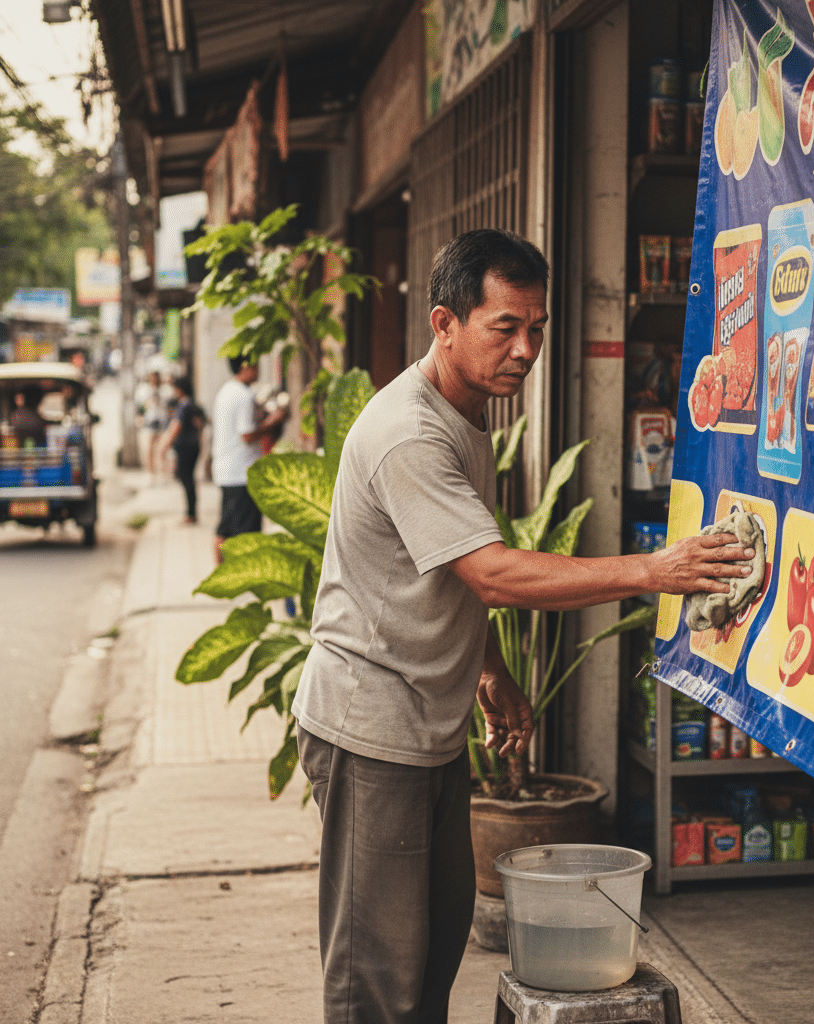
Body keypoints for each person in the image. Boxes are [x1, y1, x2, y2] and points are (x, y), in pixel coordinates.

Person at [290, 228, 754, 1024]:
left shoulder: (465, 416)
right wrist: (654, 570)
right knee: (377, 977)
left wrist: (492, 671)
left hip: (423, 728)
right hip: (371, 732)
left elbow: (447, 567)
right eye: (503, 327)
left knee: (433, 951)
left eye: (536, 328)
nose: (526, 348)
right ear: (445, 323)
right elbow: (494, 573)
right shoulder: (411, 431)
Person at [211, 355, 286, 561]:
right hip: (241, 471)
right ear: (246, 367)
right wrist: (273, 421)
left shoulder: (226, 391)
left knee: (226, 525)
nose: (258, 368)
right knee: (245, 530)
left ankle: (222, 572)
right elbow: (247, 435)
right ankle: (241, 574)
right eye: (255, 364)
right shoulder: (243, 396)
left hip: (228, 468)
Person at [160, 376, 205, 524]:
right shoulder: (191, 404)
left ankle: (191, 514)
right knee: (189, 479)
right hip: (193, 446)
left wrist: (165, 446)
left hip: (186, 447)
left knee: (187, 479)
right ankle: (191, 512)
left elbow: (176, 427)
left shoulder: (184, 406)